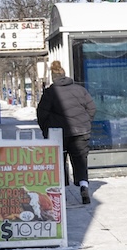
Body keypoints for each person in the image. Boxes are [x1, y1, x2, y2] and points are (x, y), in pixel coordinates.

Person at [35, 59, 97, 203]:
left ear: (53, 77)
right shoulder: (80, 90)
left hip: (58, 134)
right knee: (80, 159)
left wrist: (46, 129)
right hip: (81, 131)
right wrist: (86, 122)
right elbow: (92, 108)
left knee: (58, 161)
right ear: (65, 75)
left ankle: (61, 192)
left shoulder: (50, 93)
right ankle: (83, 185)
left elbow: (41, 113)